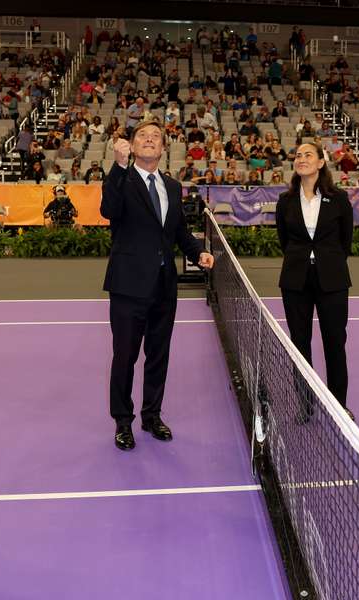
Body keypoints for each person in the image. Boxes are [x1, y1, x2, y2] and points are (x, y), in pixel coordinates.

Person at [100, 121, 215, 451]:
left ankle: (151, 416)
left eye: (156, 138)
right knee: (125, 357)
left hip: (164, 286)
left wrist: (199, 252)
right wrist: (119, 167)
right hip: (128, 285)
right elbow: (110, 210)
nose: (149, 140)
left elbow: (178, 231)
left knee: (158, 355)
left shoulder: (172, 186)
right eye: (142, 136)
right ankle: (123, 421)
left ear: (163, 148)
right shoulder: (122, 177)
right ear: (132, 147)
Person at [276, 142, 355, 420]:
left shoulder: (340, 198)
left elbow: (345, 241)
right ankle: (305, 404)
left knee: (335, 342)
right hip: (295, 281)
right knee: (300, 344)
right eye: (297, 155)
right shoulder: (285, 201)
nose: (301, 158)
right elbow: (284, 240)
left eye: (308, 154)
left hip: (332, 280)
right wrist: (303, 260)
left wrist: (325, 261)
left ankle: (338, 406)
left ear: (321, 162)